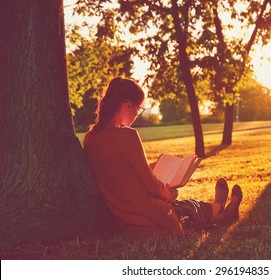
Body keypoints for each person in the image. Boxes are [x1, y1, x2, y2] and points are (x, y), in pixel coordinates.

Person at [83, 77, 242, 235]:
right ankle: (222, 210)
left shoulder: (90, 138)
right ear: (127, 105)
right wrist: (168, 195)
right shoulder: (127, 136)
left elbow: (120, 172)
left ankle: (219, 207)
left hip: (125, 221)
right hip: (149, 218)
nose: (138, 113)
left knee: (184, 207)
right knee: (188, 207)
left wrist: (151, 167)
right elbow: (152, 186)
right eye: (139, 109)